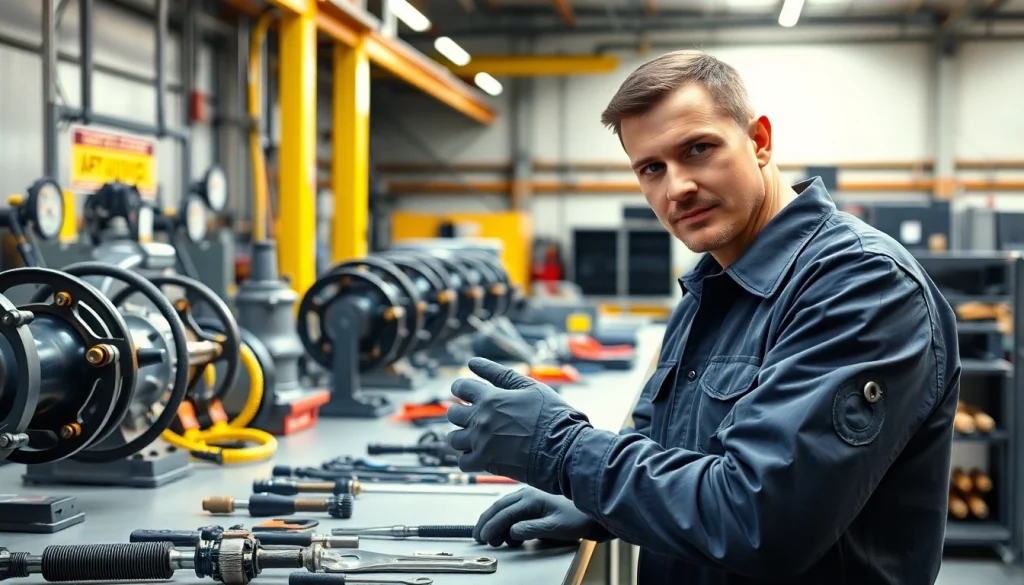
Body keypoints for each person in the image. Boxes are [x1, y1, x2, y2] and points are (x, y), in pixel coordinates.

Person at [445, 49, 962, 584]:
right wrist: (601, 505)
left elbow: (760, 520)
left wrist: (563, 451)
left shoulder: (860, 286)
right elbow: (671, 451)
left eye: (698, 149)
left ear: (759, 142)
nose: (677, 187)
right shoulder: (710, 286)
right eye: (652, 168)